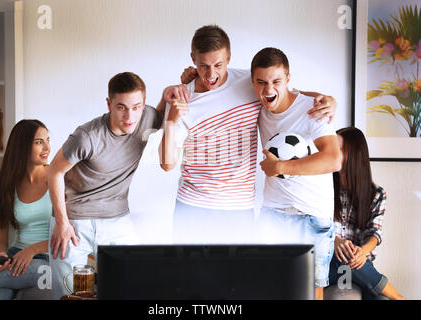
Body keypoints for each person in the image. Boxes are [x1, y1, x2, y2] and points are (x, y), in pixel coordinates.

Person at [159, 25, 337, 244]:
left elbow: (286, 95)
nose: (211, 74)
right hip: (192, 205)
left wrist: (327, 99)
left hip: (238, 208)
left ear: (229, 58)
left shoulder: (250, 82)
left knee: (236, 278)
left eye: (218, 64)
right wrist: (171, 120)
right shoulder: (182, 97)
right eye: (203, 66)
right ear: (193, 59)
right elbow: (167, 164)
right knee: (187, 277)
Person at [48, 72, 163, 299]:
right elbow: (54, 171)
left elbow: (167, 109)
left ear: (144, 104)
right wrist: (61, 222)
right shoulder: (87, 136)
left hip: (117, 219)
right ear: (109, 104)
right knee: (71, 294)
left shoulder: (147, 117)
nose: (129, 116)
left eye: (136, 107)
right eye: (121, 107)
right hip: (74, 222)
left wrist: (186, 78)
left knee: (132, 284)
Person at [252, 47, 342, 300]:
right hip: (273, 213)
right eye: (261, 82)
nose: (269, 89)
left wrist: (280, 168)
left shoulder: (313, 109)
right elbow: (218, 73)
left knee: (310, 295)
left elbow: (333, 159)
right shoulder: (259, 105)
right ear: (252, 81)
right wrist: (192, 74)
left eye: (276, 82)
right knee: (266, 290)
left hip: (310, 216)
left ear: (288, 80)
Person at [0, 120, 51, 300]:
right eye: (39, 142)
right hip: (16, 257)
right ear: (21, 146)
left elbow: (72, 236)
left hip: (47, 261)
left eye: (48, 140)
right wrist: (0, 256)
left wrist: (31, 250)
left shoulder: (57, 179)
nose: (47, 147)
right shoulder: (4, 185)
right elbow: (0, 241)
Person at [329, 126, 405, 300]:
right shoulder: (322, 189)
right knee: (344, 255)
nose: (331, 152)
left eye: (339, 149)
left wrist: (362, 252)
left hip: (359, 268)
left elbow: (374, 233)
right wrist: (334, 241)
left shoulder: (376, 194)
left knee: (381, 299)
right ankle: (399, 297)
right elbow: (310, 227)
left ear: (354, 154)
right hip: (329, 269)